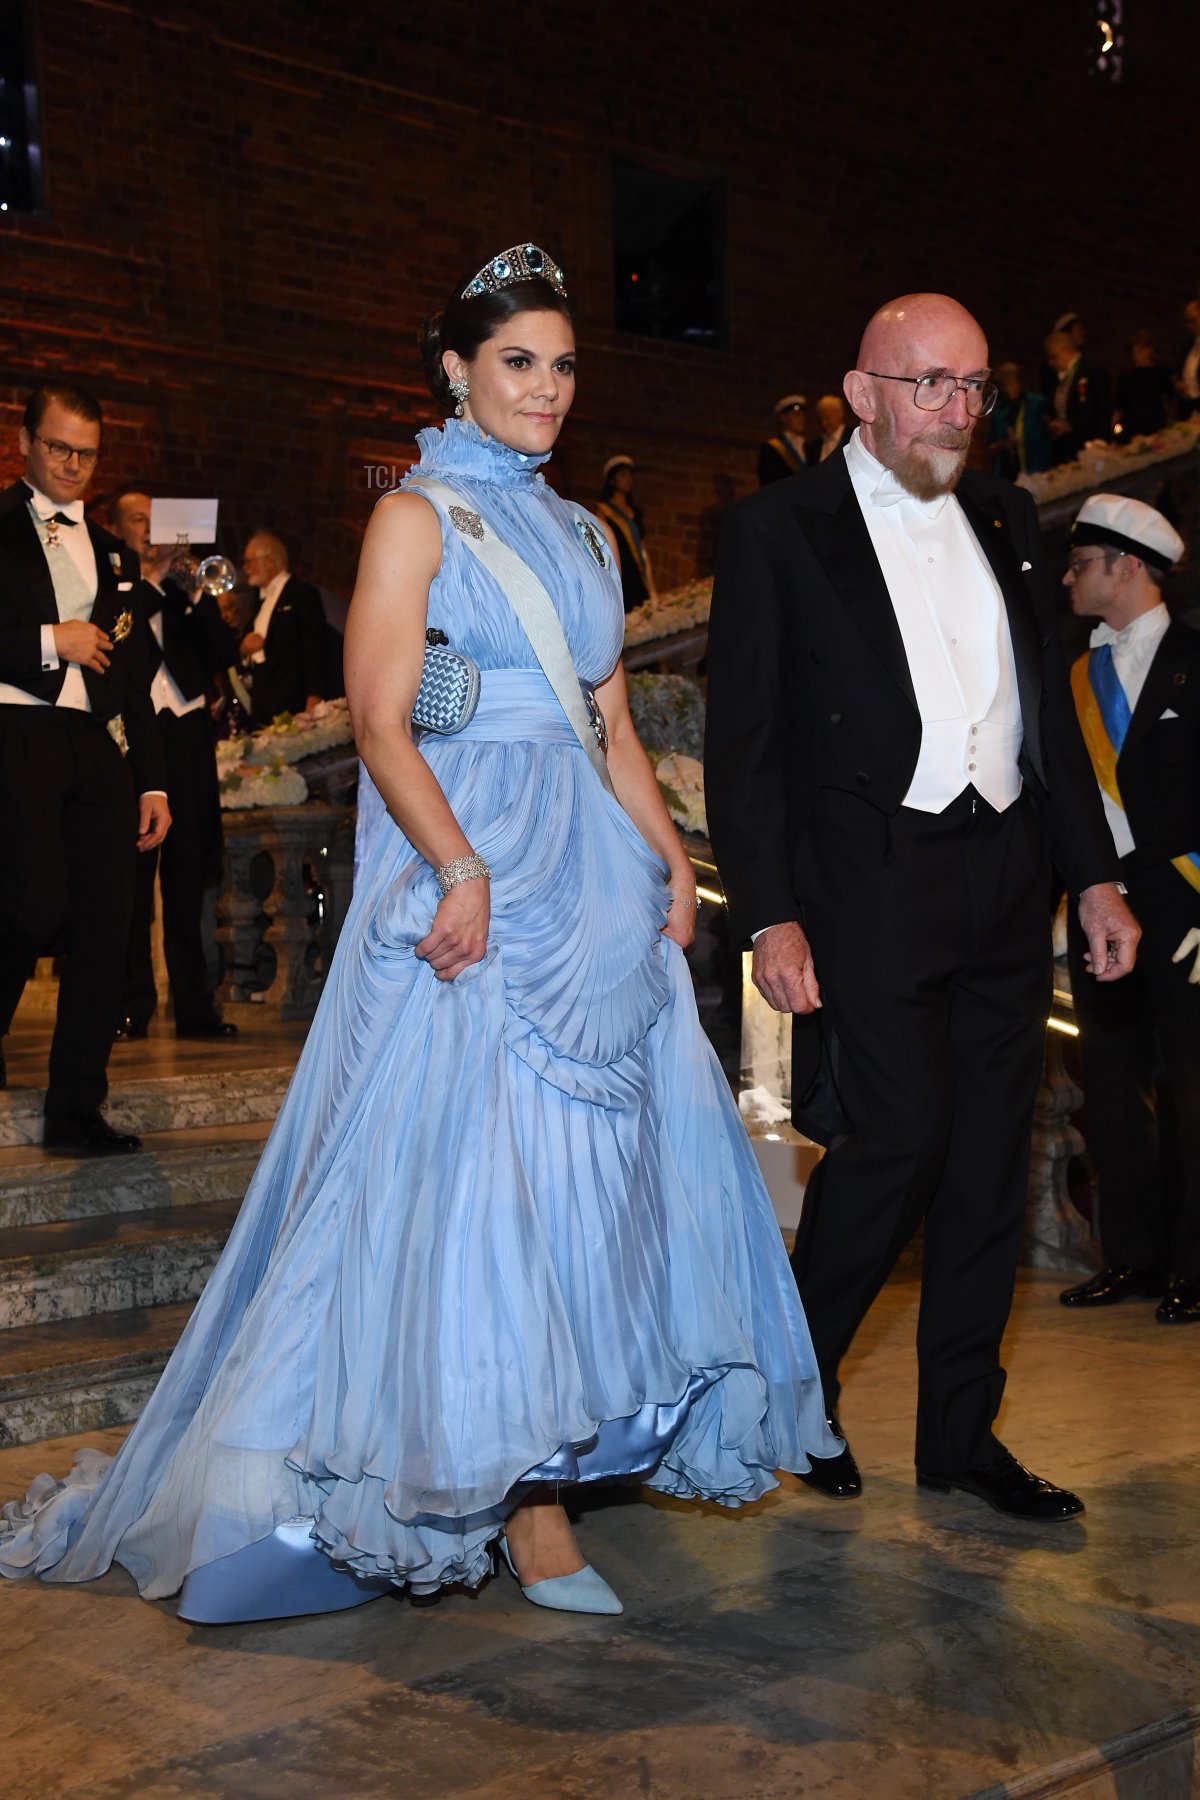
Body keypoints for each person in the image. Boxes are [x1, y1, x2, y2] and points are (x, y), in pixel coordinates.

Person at [0, 244, 834, 1620]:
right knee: (476, 1199)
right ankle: (520, 1504)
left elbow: (611, 718)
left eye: (564, 366)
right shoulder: (418, 519)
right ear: (456, 369)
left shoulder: (581, 533)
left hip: (588, 889)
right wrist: (458, 867)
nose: (546, 390)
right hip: (473, 870)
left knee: (584, 1200)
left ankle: (546, 1467)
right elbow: (383, 720)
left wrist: (669, 855)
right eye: (518, 362)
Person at [705, 292, 1140, 1523]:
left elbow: (1044, 720)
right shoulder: (777, 530)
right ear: (861, 391)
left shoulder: (1005, 515)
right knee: (896, 1140)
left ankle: (959, 1436)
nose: (955, 411)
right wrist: (772, 917)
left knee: (992, 1161)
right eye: (927, 385)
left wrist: (1094, 872)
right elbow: (746, 750)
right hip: (872, 882)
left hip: (1006, 875)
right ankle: (800, 1385)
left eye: (973, 387)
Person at [0, 384, 170, 1152]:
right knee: (33, 904)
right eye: (60, 447)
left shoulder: (112, 550)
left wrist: (155, 780)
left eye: (87, 453)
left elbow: (135, 676)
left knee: (108, 923)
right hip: (15, 730)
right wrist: (49, 640)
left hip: (97, 742)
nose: (73, 464)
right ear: (27, 443)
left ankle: (76, 1108)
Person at [1057, 495, 1200, 1324]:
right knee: (1110, 1083)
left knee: (1191, 1086)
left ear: (1131, 567)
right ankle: (1133, 1258)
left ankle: (1193, 1264)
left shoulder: (1196, 658)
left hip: (1188, 899)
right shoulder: (1075, 673)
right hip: (1103, 899)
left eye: (1084, 564)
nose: (1070, 577)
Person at [108, 490, 239, 1043]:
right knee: (134, 883)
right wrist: (150, 578)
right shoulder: (115, 583)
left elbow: (222, 653)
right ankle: (133, 1003)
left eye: (153, 519)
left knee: (187, 876)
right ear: (118, 529)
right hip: (135, 735)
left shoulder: (186, 590)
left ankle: (195, 1005)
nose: (148, 528)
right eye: (138, 520)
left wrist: (187, 591)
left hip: (185, 731)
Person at [240, 530, 327, 727]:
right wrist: (244, 649)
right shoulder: (259, 601)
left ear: (269, 561)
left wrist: (315, 695)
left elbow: (314, 647)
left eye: (249, 561)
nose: (245, 568)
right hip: (263, 702)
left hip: (294, 700)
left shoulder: (302, 594)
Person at [596, 453, 656, 611]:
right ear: (612, 480)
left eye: (630, 476)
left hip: (638, 576)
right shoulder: (603, 512)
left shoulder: (635, 512)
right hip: (621, 575)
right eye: (623, 475)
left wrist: (652, 588)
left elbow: (642, 550)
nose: (628, 479)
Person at [1045, 330, 1112, 464]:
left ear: (1066, 351)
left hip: (1090, 445)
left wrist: (1102, 439)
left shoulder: (1092, 370)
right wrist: (1054, 424)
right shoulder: (1057, 380)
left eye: (1053, 357)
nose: (1050, 363)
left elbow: (1104, 407)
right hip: (1067, 448)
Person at [987, 362, 1053, 477]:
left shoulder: (1037, 404)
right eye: (1004, 386)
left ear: (1020, 383)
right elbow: (991, 445)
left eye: (1011, 384)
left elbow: (1048, 436)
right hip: (1008, 471)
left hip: (1037, 468)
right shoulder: (1000, 410)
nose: (1007, 389)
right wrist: (1003, 443)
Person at [1113, 331, 1175, 440]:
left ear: (1149, 350)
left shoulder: (1161, 374)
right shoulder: (1126, 377)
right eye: (1134, 351)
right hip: (1130, 428)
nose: (1136, 355)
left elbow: (1169, 402)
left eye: (1140, 351)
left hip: (1154, 427)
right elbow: (1120, 406)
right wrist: (1113, 427)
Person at [757, 395, 808, 484]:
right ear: (783, 418)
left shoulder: (809, 446)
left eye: (803, 415)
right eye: (796, 415)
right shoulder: (771, 448)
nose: (801, 419)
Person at [1174, 297, 1200, 420]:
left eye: (1193, 320)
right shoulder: (1188, 344)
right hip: (1187, 407)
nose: (1190, 326)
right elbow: (1178, 371)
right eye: (1188, 322)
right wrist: (1179, 383)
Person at [806, 394, 850, 465]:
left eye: (827, 418)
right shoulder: (815, 445)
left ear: (840, 414)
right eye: (821, 419)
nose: (823, 423)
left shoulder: (852, 438)